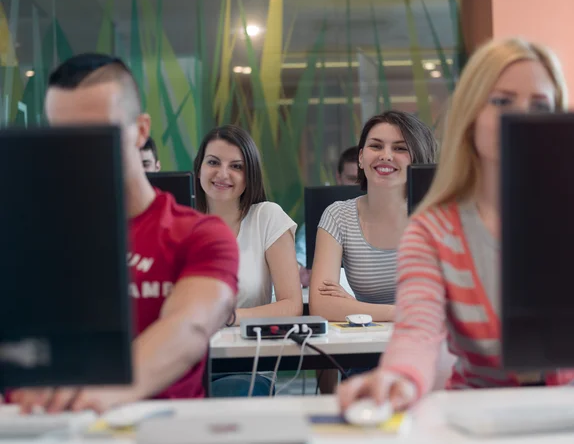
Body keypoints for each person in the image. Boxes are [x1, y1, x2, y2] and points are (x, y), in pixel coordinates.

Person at [337, 38, 574, 413]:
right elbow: (418, 332)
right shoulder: (432, 232)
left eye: (540, 105)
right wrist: (398, 377)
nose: (521, 115)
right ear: (471, 115)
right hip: (480, 420)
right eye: (501, 101)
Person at [11, 54, 239, 413]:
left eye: (99, 132)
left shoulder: (198, 235)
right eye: (64, 136)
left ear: (141, 130)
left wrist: (99, 390)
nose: (79, 151)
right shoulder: (23, 237)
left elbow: (190, 325)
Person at [193, 125, 302, 396]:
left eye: (236, 166)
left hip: (246, 365)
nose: (222, 174)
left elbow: (292, 305)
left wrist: (229, 317)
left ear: (249, 175)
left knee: (227, 399)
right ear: (199, 168)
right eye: (213, 162)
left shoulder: (267, 217)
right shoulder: (180, 222)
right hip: (184, 359)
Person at [309, 111, 437, 323]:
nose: (385, 155)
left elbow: (450, 304)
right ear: (361, 158)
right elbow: (321, 305)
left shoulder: (437, 216)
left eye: (400, 148)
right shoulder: (338, 215)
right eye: (376, 146)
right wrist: (400, 312)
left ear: (418, 159)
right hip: (367, 344)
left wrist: (354, 307)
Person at [296, 146, 360, 287]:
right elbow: (300, 259)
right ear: (338, 177)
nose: (358, 186)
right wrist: (300, 271)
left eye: (363, 180)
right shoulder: (323, 216)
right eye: (352, 179)